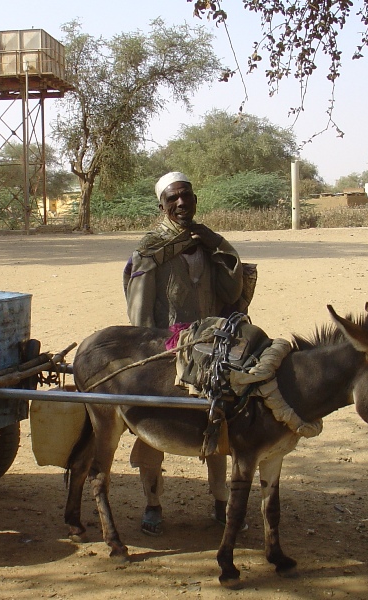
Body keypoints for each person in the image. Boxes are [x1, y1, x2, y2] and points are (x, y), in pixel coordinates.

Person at [123, 171, 245, 536]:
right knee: (154, 424)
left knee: (217, 418)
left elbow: (230, 288)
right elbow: (140, 311)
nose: (181, 203)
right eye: (173, 198)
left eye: (186, 197)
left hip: (211, 345)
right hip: (166, 349)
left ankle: (221, 499)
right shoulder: (150, 250)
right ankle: (153, 501)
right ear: (161, 205)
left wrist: (219, 245)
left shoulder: (207, 242)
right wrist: (151, 349)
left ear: (195, 199)